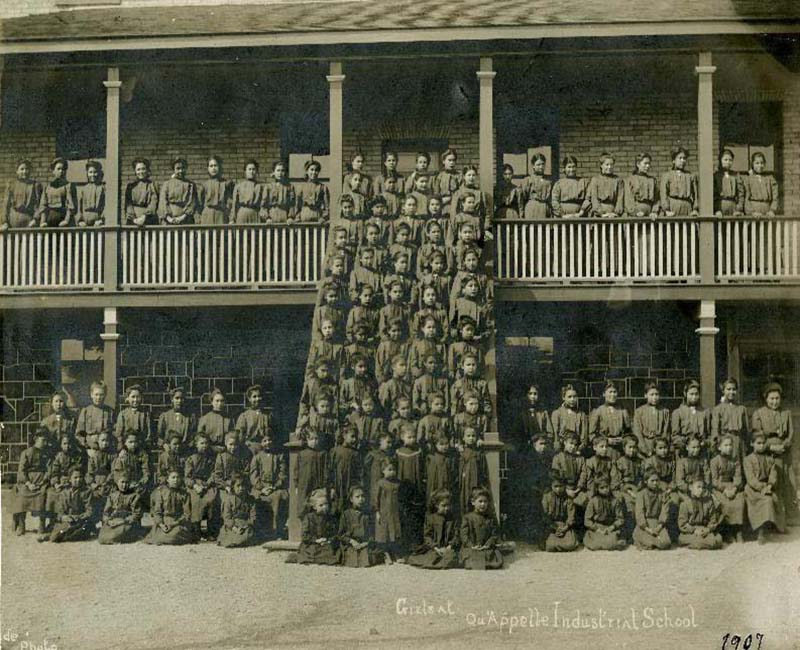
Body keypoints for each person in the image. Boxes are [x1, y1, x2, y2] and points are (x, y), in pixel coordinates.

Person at [751, 382, 796, 522]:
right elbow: (757, 436)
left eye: (777, 398)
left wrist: (785, 444)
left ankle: (789, 515)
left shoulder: (786, 413)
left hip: (784, 452)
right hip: (768, 453)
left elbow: (791, 433)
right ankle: (774, 518)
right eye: (771, 398)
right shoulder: (759, 413)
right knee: (773, 482)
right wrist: (770, 447)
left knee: (787, 483)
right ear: (766, 398)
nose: (774, 402)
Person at [744, 432, 786, 543]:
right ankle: (760, 531)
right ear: (752, 444)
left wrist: (770, 485)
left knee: (773, 499)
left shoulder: (769, 459)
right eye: (758, 443)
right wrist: (762, 487)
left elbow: (773, 474)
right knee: (766, 501)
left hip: (767, 487)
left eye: (763, 443)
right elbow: (751, 479)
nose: (761, 446)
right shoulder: (748, 459)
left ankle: (772, 527)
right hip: (753, 489)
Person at [249, 429, 288, 540]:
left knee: (279, 497)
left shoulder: (279, 456)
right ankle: (261, 530)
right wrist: (262, 488)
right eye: (265, 441)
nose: (267, 443)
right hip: (261, 487)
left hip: (275, 487)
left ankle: (276, 530)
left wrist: (275, 486)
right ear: (261, 443)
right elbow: (253, 475)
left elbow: (282, 474)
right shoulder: (257, 457)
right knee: (256, 498)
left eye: (269, 440)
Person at [408, 489, 460, 569]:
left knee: (452, 556)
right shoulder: (431, 518)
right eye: (443, 505)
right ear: (436, 505)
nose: (447, 508)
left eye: (448, 505)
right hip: (434, 548)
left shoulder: (452, 519)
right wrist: (436, 548)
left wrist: (449, 546)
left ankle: (442, 562)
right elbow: (427, 537)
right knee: (430, 557)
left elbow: (456, 535)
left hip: (447, 548)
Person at [12, 429, 51, 536]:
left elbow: (49, 469)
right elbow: (21, 470)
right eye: (43, 440)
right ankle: (21, 524)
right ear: (36, 439)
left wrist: (44, 481)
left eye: (46, 441)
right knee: (22, 495)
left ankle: (41, 525)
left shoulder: (47, 453)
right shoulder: (26, 453)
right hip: (28, 480)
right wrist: (28, 484)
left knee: (43, 494)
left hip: (42, 479)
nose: (45, 443)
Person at [709, 434, 745, 543]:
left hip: (733, 486)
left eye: (730, 445)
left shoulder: (735, 460)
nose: (729, 447)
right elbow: (714, 480)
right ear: (719, 447)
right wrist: (724, 490)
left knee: (740, 501)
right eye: (725, 445)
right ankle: (728, 532)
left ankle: (738, 530)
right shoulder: (714, 461)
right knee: (725, 503)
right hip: (720, 488)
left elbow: (738, 477)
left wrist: (734, 489)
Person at [184, 433, 219, 541]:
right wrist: (195, 486)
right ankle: (196, 530)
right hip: (194, 485)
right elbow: (187, 477)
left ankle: (210, 531)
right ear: (196, 445)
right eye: (201, 443)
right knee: (196, 500)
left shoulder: (211, 458)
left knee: (212, 497)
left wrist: (207, 484)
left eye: (206, 443)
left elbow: (214, 473)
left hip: (207, 484)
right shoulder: (191, 459)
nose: (204, 445)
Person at [145, 469, 195, 545]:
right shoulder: (161, 492)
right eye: (173, 477)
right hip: (164, 521)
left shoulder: (185, 494)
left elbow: (187, 514)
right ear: (168, 480)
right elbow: (157, 511)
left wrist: (174, 524)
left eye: (178, 477)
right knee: (159, 535)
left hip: (179, 523)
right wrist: (161, 524)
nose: (176, 480)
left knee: (176, 533)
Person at [294, 489, 341, 565]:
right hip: (312, 543)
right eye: (321, 505)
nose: (324, 507)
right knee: (310, 551)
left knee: (333, 550)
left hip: (325, 543)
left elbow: (334, 533)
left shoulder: (330, 518)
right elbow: (304, 536)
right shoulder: (308, 518)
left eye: (326, 504)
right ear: (314, 507)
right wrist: (316, 540)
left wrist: (328, 540)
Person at [460, 487, 503, 569]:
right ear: (473, 502)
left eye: (485, 502)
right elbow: (464, 535)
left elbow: (494, 534)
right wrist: (471, 545)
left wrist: (488, 544)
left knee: (495, 557)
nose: (483, 504)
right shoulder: (467, 517)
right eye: (480, 501)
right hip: (472, 548)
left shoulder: (490, 518)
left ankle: (484, 561)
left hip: (486, 547)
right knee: (470, 556)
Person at [338, 485, 380, 568]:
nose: (361, 499)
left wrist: (366, 543)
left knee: (366, 558)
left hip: (365, 543)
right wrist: (351, 541)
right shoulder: (346, 514)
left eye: (363, 496)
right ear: (351, 499)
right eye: (357, 497)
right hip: (351, 543)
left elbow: (372, 532)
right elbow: (341, 534)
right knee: (351, 559)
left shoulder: (367, 514)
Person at [49, 469, 95, 543]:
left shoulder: (87, 492)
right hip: (68, 521)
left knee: (77, 531)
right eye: (75, 477)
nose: (78, 480)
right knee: (58, 534)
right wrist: (64, 517)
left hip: (81, 521)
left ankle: (61, 535)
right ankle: (55, 534)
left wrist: (79, 517)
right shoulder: (64, 492)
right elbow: (60, 512)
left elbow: (89, 511)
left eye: (80, 477)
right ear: (70, 479)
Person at [97, 474, 145, 544]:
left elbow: (137, 514)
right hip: (114, 521)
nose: (124, 485)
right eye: (122, 482)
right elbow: (106, 513)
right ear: (117, 483)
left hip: (128, 522)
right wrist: (108, 521)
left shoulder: (134, 496)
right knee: (102, 537)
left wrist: (123, 521)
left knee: (119, 533)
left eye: (126, 482)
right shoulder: (112, 495)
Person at [677, 479, 723, 549]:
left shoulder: (708, 502)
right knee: (689, 540)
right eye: (698, 487)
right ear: (691, 488)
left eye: (702, 487)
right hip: (690, 532)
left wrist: (708, 529)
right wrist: (694, 530)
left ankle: (700, 544)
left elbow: (713, 520)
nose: (701, 490)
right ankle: (700, 544)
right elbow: (682, 524)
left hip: (704, 530)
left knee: (717, 540)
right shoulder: (685, 503)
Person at [588, 381, 630, 458]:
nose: (613, 395)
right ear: (604, 394)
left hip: (620, 450)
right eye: (610, 392)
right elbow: (592, 434)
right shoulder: (598, 411)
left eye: (615, 392)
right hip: (604, 449)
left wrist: (623, 439)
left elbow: (629, 432)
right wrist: (606, 440)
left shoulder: (623, 411)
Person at [583, 477, 627, 550]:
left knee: (613, 541)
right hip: (597, 528)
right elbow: (587, 520)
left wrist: (612, 527)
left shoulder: (615, 501)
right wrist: (597, 529)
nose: (605, 490)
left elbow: (620, 519)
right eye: (602, 488)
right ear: (597, 489)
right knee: (595, 544)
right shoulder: (593, 501)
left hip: (610, 527)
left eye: (606, 487)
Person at [711, 378, 749, 462]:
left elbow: (746, 431)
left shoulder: (742, 408)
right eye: (728, 389)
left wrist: (745, 446)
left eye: (734, 389)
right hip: (725, 442)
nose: (731, 392)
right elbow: (715, 430)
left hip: (739, 443)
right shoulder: (718, 409)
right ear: (723, 391)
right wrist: (716, 447)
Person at [671, 379, 712, 458]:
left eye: (696, 394)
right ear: (685, 394)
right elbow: (674, 436)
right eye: (691, 394)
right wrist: (686, 443)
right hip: (684, 452)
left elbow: (709, 434)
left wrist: (704, 442)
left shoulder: (705, 412)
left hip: (701, 451)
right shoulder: (677, 413)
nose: (694, 397)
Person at [632, 470, 672, 550]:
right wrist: (649, 530)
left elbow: (664, 512)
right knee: (650, 543)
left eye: (657, 480)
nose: (655, 483)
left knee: (666, 543)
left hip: (657, 523)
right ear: (646, 481)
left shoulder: (662, 494)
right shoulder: (641, 494)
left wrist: (659, 527)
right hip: (645, 525)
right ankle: (638, 538)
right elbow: (639, 514)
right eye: (652, 481)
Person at [374, 457, 402, 563]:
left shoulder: (398, 483)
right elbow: (376, 498)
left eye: (394, 470)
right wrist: (377, 512)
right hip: (384, 512)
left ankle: (395, 552)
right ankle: (385, 554)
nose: (392, 472)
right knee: (384, 534)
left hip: (395, 513)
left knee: (395, 533)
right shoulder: (380, 483)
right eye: (389, 470)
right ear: (383, 470)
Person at [329, 427, 363, 515]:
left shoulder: (356, 454)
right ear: (344, 436)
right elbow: (330, 470)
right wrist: (331, 487)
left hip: (350, 485)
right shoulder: (335, 451)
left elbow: (359, 472)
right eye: (352, 436)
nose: (354, 440)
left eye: (355, 437)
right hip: (338, 485)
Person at [217, 473, 257, 548]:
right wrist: (234, 528)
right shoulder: (228, 499)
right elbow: (226, 518)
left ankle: (240, 541)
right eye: (238, 486)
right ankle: (234, 541)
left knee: (248, 534)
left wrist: (246, 525)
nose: (241, 488)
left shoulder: (251, 500)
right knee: (228, 534)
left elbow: (253, 516)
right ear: (233, 487)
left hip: (246, 525)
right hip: (232, 525)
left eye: (243, 486)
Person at [111, 431, 151, 503]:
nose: (133, 444)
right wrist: (126, 484)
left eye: (135, 442)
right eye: (130, 442)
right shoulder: (121, 456)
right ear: (125, 443)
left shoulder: (142, 455)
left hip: (138, 485)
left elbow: (146, 471)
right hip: (124, 486)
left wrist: (140, 482)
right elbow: (117, 474)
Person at [541, 477, 579, 552]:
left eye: (560, 486)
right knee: (550, 546)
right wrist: (555, 528)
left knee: (570, 545)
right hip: (551, 526)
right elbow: (544, 516)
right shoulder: (547, 497)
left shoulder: (568, 498)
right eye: (556, 486)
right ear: (551, 486)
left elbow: (571, 516)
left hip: (565, 525)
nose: (558, 489)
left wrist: (565, 528)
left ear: (564, 486)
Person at [633, 381, 670, 458]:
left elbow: (666, 432)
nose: (654, 397)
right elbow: (637, 433)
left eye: (656, 394)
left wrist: (661, 448)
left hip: (660, 447)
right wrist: (645, 450)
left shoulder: (665, 411)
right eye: (651, 395)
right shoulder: (639, 411)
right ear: (645, 395)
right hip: (645, 446)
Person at [75, 381, 114, 453]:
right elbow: (79, 434)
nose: (98, 397)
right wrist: (87, 448)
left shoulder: (110, 412)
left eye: (101, 395)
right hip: (89, 450)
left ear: (105, 395)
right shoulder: (86, 411)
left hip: (106, 449)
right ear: (91, 395)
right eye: (96, 394)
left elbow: (114, 432)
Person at [2, 158, 41, 229]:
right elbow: (6, 205)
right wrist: (5, 222)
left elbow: (38, 204)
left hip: (29, 222)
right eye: (22, 169)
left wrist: (35, 219)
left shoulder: (35, 185)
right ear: (17, 171)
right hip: (13, 221)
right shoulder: (11, 185)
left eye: (27, 169)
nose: (25, 171)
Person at [459, 426, 489, 516]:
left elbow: (483, 470)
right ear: (463, 438)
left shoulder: (479, 453)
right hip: (465, 484)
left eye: (473, 436)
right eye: (468, 436)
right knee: (465, 502)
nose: (471, 438)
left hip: (476, 483)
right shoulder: (461, 452)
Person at [550, 432, 586, 508]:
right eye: (571, 443)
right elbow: (555, 476)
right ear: (565, 442)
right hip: (563, 489)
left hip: (577, 489)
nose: (573, 447)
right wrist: (566, 490)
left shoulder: (581, 459)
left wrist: (578, 488)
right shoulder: (558, 458)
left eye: (575, 445)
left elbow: (583, 475)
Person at [660, 146, 699, 217]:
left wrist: (695, 209)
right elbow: (663, 194)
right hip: (672, 207)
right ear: (673, 161)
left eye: (684, 158)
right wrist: (666, 210)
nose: (682, 161)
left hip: (687, 208)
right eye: (680, 158)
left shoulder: (690, 176)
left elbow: (695, 195)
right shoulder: (667, 175)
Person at [235, 384, 273, 456]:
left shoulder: (268, 415)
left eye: (259, 396)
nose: (257, 399)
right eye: (254, 397)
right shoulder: (244, 416)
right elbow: (240, 436)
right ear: (249, 399)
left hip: (265, 448)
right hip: (250, 449)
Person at [158, 157, 196, 225]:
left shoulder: (190, 185)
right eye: (178, 168)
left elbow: (192, 202)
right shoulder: (167, 184)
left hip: (185, 220)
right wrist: (169, 218)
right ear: (174, 170)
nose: (181, 171)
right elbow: (163, 202)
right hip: (169, 220)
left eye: (183, 168)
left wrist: (182, 217)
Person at [551, 384, 589, 452]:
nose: (572, 399)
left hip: (577, 449)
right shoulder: (557, 413)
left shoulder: (581, 415)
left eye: (574, 397)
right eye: (569, 397)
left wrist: (579, 449)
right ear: (563, 397)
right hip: (561, 449)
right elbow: (555, 434)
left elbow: (584, 436)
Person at [38, 157, 75, 227]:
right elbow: (43, 205)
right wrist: (43, 221)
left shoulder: (68, 186)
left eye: (63, 169)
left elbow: (70, 206)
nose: (61, 171)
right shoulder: (47, 187)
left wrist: (66, 220)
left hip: (63, 219)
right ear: (53, 171)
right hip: (50, 220)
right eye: (58, 169)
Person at [114, 384, 153, 450]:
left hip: (142, 446)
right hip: (126, 447)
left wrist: (146, 445)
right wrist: (122, 447)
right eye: (133, 397)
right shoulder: (123, 414)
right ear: (128, 398)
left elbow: (149, 433)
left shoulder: (145, 414)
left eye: (138, 397)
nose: (135, 400)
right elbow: (119, 434)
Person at [196, 155, 233, 225]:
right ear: (208, 168)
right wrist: (198, 219)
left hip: (221, 216)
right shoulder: (204, 185)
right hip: (207, 216)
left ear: (220, 167)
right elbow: (198, 205)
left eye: (215, 165)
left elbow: (231, 203)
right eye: (211, 166)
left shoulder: (227, 184)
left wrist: (231, 218)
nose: (213, 168)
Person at [742, 152, 779, 217]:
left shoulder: (770, 179)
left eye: (762, 163)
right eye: (757, 163)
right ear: (752, 164)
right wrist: (752, 212)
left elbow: (775, 197)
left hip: (768, 212)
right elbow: (746, 199)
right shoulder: (748, 179)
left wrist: (772, 210)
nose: (760, 165)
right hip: (753, 213)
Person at [587, 152, 624, 218]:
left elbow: (620, 198)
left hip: (614, 214)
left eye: (611, 164)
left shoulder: (618, 180)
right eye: (607, 165)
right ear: (601, 165)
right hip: (599, 215)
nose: (609, 167)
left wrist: (615, 213)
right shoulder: (595, 180)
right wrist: (601, 214)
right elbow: (594, 199)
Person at [197, 388, 233, 454]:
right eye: (217, 401)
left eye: (222, 401)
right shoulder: (205, 418)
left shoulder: (228, 420)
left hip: (224, 451)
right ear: (212, 402)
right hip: (208, 451)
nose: (219, 404)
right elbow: (200, 437)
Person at [124, 158, 159, 226]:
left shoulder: (153, 185)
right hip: (133, 220)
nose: (141, 172)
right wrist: (134, 219)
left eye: (143, 169)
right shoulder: (130, 186)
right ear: (135, 171)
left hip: (149, 219)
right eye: (138, 169)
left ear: (147, 170)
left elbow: (154, 202)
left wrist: (144, 217)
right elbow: (128, 204)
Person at [625, 152, 660, 217]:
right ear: (638, 164)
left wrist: (654, 211)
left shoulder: (652, 180)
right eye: (645, 163)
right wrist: (635, 212)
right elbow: (628, 199)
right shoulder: (630, 179)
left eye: (649, 164)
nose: (648, 166)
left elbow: (657, 199)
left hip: (650, 214)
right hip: (636, 214)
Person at [231, 160, 266, 224]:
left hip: (255, 214)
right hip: (242, 214)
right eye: (249, 169)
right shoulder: (238, 186)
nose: (251, 171)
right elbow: (234, 204)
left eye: (253, 169)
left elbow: (263, 204)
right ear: (245, 171)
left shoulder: (260, 187)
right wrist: (232, 219)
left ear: (256, 172)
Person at [713, 149, 744, 217]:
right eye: (725, 160)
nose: (728, 162)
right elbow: (713, 195)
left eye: (730, 160)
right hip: (720, 206)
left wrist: (738, 209)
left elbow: (741, 194)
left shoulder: (736, 175)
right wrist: (716, 210)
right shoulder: (716, 176)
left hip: (733, 207)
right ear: (720, 161)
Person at [76, 160, 106, 226]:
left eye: (95, 172)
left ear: (99, 173)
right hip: (84, 223)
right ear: (87, 173)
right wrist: (80, 221)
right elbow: (79, 207)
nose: (92, 175)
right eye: (90, 172)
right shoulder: (83, 189)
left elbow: (106, 207)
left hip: (98, 222)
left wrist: (101, 220)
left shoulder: (102, 188)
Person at [522, 154, 552, 219]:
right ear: (533, 166)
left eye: (543, 164)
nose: (541, 167)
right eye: (538, 165)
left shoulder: (548, 181)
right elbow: (523, 197)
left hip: (544, 208)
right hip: (531, 208)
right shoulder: (528, 180)